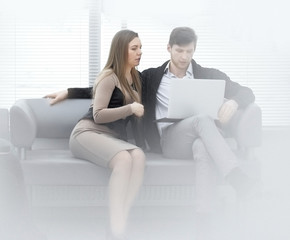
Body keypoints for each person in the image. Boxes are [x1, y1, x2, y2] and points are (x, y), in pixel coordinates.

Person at [46, 27, 257, 239]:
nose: (184, 57)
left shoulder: (209, 75)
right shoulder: (150, 77)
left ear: (194, 50)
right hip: (169, 141)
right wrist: (69, 92)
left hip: (198, 138)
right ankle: (236, 177)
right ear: (169, 48)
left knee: (202, 146)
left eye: (189, 52)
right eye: (179, 51)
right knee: (202, 119)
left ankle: (203, 221)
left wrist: (234, 101)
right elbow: (112, 85)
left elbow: (247, 92)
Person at [68, 29, 145, 240]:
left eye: (140, 48)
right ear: (121, 51)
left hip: (109, 138)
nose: (139, 52)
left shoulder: (135, 78)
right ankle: (116, 227)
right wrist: (130, 109)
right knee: (123, 159)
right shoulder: (109, 77)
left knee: (138, 156)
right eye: (134, 48)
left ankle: (122, 217)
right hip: (86, 133)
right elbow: (99, 115)